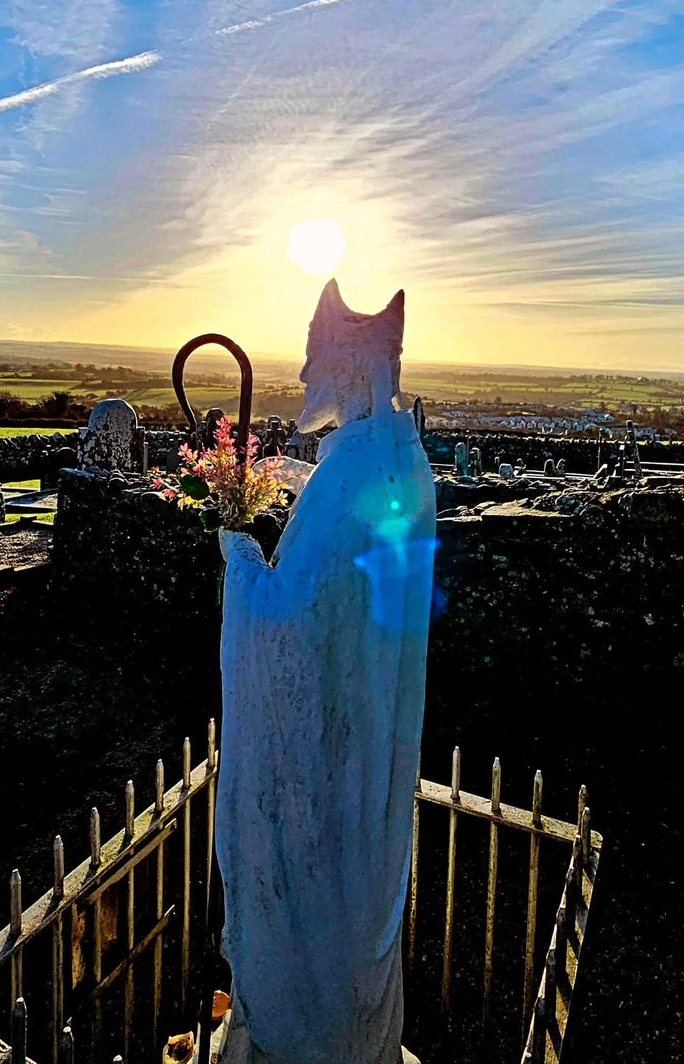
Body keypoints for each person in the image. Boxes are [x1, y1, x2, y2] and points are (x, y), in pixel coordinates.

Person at [216, 280, 436, 1064]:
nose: (304, 380)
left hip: (326, 761)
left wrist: (239, 553)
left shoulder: (349, 477)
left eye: (313, 364)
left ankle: (297, 1032)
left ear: (346, 372)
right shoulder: (397, 457)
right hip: (365, 728)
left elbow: (291, 629)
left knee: (317, 911)